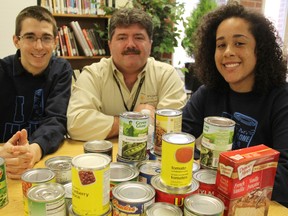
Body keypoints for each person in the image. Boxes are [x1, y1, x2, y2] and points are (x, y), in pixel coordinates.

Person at [181, 2, 288, 207]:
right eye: (221, 45)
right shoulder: (208, 92)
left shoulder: (281, 99)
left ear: (260, 49)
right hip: (211, 201)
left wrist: (221, 171)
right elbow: (178, 137)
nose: (228, 52)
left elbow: (285, 177)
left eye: (239, 43)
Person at [67, 8, 187, 141]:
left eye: (139, 37)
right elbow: (76, 124)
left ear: (150, 44)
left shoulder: (166, 75)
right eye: (122, 37)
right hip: (104, 157)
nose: (130, 44)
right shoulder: (93, 74)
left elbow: (171, 128)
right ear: (110, 44)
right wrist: (136, 118)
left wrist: (109, 125)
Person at [0, 6, 73, 179]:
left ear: (55, 42)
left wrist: (33, 151)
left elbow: (56, 120)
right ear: (16, 41)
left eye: (46, 38)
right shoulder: (1, 70)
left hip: (39, 161)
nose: (39, 46)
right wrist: (4, 153)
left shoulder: (61, 70)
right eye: (30, 37)